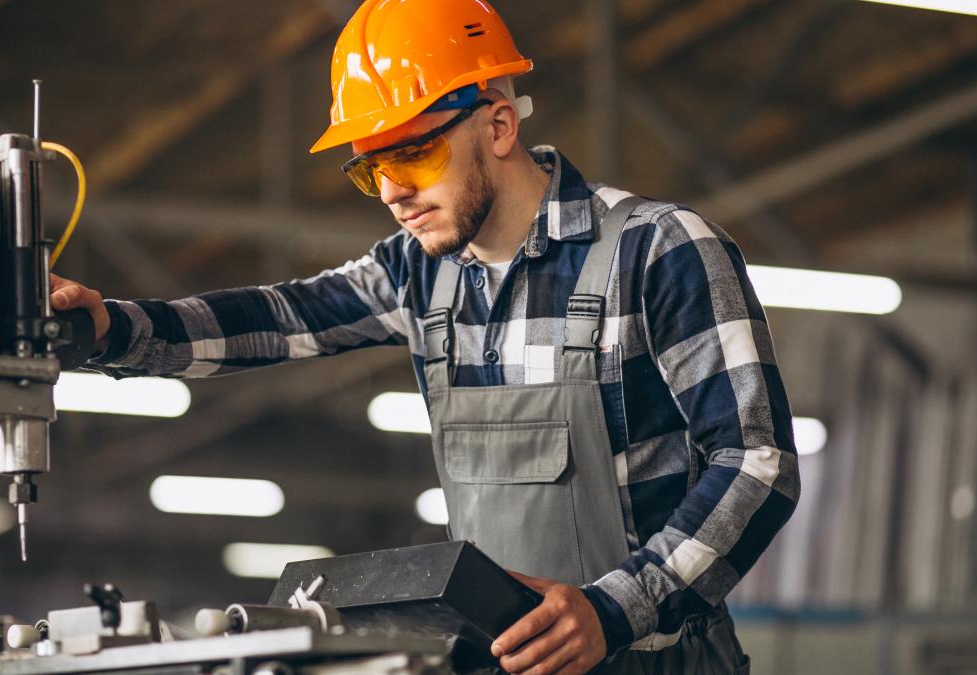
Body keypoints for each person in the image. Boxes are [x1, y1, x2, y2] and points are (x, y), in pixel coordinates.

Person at [52, 1, 799, 672]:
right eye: (370, 166)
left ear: (499, 124)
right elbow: (277, 317)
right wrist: (114, 329)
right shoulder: (417, 274)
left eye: (412, 152)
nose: (390, 191)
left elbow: (758, 463)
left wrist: (613, 609)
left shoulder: (657, 250)